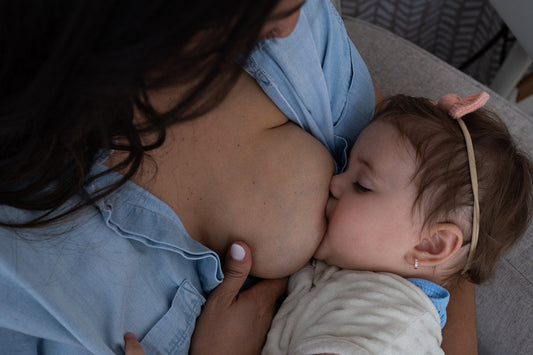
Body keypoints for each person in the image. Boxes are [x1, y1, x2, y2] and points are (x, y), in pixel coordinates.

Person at [0, 0, 476, 353]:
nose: (292, 22)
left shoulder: (298, 32)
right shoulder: (24, 271)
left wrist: (441, 154)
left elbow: (442, 239)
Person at [262, 93, 533, 354]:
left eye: (361, 185)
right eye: (346, 167)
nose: (334, 182)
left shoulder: (385, 325)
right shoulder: (364, 269)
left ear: (431, 244)